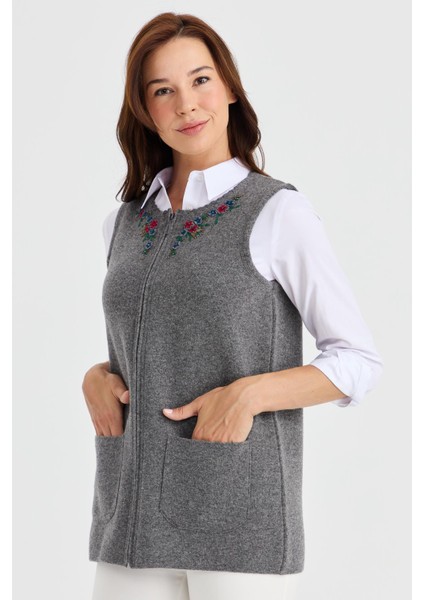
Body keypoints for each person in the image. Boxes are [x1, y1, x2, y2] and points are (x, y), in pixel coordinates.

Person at [81, 11, 383, 600]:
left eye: (200, 80)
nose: (186, 105)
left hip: (237, 522)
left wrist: (250, 395)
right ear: (144, 110)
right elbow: (155, 343)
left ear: (229, 89)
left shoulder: (277, 213)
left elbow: (358, 361)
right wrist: (98, 375)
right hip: (130, 518)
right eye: (162, 91)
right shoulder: (122, 223)